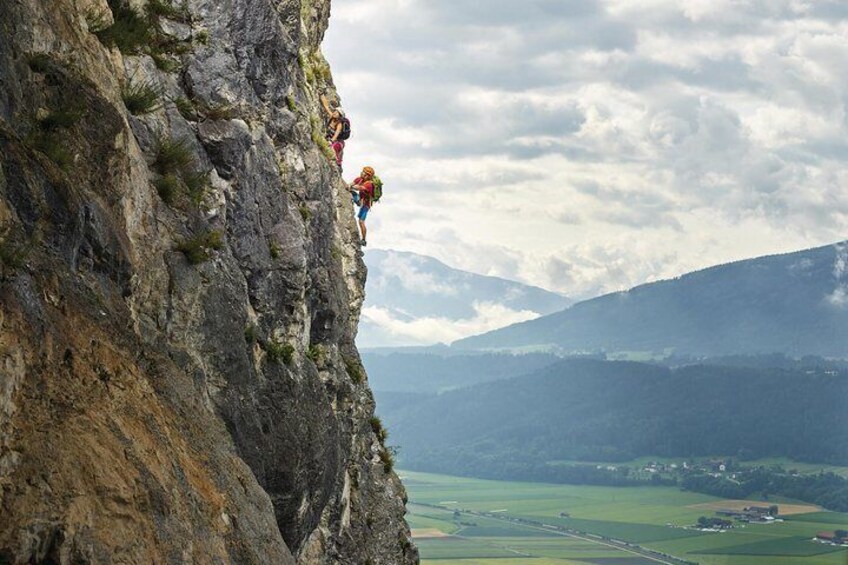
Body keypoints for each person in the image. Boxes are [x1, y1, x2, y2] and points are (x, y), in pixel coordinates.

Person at [348, 166, 376, 246]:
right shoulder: (359, 179)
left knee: (361, 221)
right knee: (351, 192)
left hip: (366, 205)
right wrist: (350, 186)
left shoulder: (369, 184)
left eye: (365, 173)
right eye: (363, 172)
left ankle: (364, 240)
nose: (362, 173)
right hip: (361, 200)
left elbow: (359, 188)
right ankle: (357, 202)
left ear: (368, 176)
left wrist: (351, 186)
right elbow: (352, 184)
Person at [320, 94, 347, 169]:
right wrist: (322, 96)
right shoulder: (332, 117)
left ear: (340, 115)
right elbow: (326, 107)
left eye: (337, 112)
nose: (334, 112)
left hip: (338, 142)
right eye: (335, 111)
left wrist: (331, 141)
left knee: (331, 150)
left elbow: (336, 135)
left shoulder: (339, 124)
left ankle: (336, 164)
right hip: (330, 139)